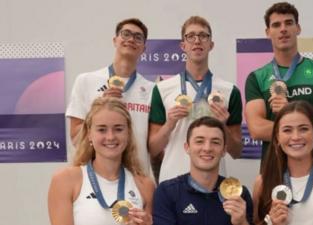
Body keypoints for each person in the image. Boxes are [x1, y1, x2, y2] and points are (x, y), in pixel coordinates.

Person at [245, 2, 313, 167]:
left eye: (289, 23)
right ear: (268, 32)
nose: (283, 29)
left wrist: (290, 109)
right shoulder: (257, 78)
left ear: (298, 28)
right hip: (274, 170)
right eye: (276, 25)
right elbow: (257, 129)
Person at [148, 16, 243, 182]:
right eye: (190, 36)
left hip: (212, 182)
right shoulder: (162, 89)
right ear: (183, 45)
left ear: (211, 45)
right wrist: (170, 123)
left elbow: (236, 152)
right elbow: (153, 148)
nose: (197, 41)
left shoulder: (229, 91)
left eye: (203, 36)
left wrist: (223, 126)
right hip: (172, 179)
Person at [66, 18, 154, 177]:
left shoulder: (152, 89)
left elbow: (154, 145)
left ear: (143, 48)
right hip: (94, 178)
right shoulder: (86, 81)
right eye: (126, 34)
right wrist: (99, 109)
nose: (131, 39)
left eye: (138, 37)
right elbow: (75, 138)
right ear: (115, 40)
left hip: (137, 176)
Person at [49, 97, 154, 225]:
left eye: (118, 129)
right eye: (102, 129)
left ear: (128, 133)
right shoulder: (65, 180)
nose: (110, 137)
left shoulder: (145, 185)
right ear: (89, 134)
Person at [153, 116, 253, 225]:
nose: (207, 148)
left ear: (224, 150)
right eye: (199, 141)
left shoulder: (240, 195)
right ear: (187, 147)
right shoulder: (167, 192)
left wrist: (242, 223)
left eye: (215, 142)